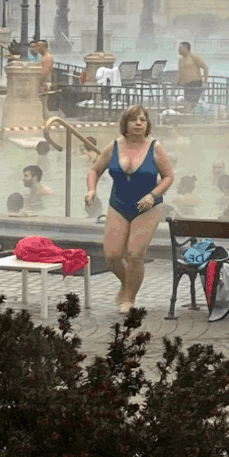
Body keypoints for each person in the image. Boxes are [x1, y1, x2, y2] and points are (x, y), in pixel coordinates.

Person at [83, 105, 175, 315]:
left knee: (134, 254)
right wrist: (91, 190)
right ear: (125, 124)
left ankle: (129, 298)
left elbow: (168, 176)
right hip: (118, 205)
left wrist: (152, 195)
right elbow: (95, 170)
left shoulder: (155, 147)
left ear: (147, 124)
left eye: (142, 120)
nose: (138, 124)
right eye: (134, 120)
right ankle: (127, 283)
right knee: (112, 254)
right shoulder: (113, 146)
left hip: (147, 206)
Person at [176, 41, 208, 110]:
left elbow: (205, 68)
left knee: (190, 102)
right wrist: (177, 81)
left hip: (195, 83)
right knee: (188, 102)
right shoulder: (180, 60)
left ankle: (189, 113)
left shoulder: (194, 57)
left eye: (180, 48)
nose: (178, 50)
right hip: (186, 84)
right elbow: (180, 71)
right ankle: (191, 113)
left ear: (186, 48)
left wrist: (205, 82)